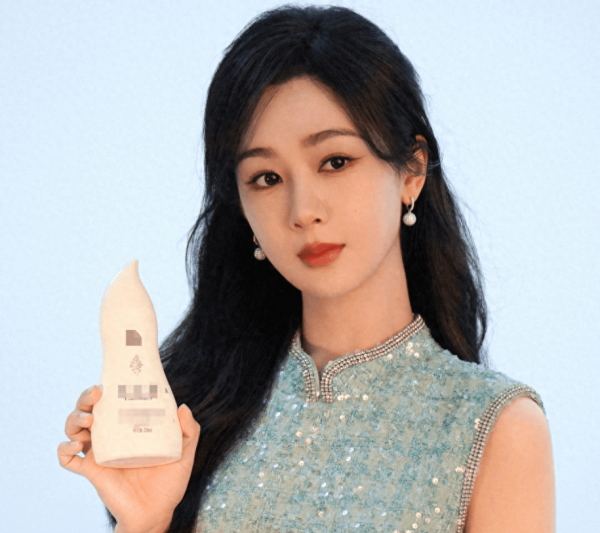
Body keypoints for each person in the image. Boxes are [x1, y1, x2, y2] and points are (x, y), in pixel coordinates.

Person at [58, 5, 555, 533]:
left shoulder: (495, 426)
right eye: (267, 178)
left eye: (335, 162)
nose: (303, 211)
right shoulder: (192, 415)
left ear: (412, 172)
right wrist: (145, 521)